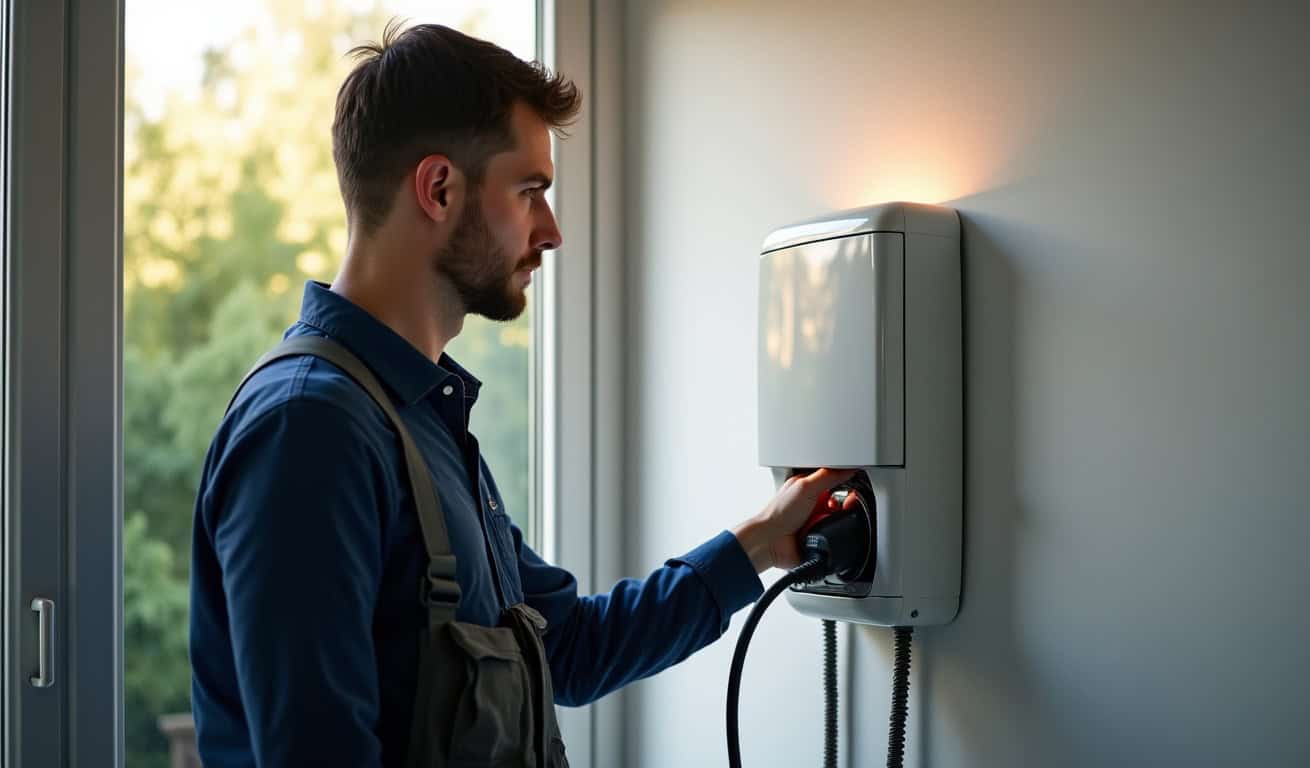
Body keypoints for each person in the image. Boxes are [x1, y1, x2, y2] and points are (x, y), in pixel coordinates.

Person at [189, 22, 854, 767]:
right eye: (529, 190)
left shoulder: (419, 419)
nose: (553, 230)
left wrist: (762, 541)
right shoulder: (311, 429)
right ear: (439, 188)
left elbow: (568, 648)